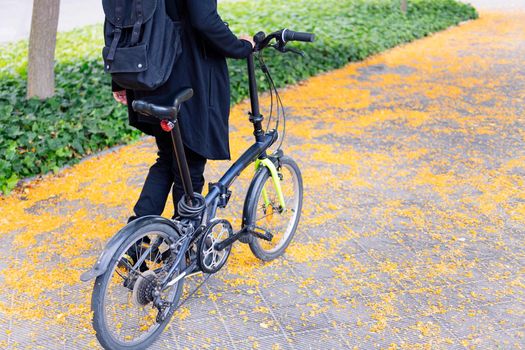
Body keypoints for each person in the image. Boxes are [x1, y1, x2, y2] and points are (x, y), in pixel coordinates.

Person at [111, 0, 255, 222]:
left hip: (146, 71)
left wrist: (119, 79)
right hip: (186, 71)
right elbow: (204, 20)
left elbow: (119, 18)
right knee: (189, 164)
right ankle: (183, 245)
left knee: (169, 158)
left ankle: (134, 243)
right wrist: (241, 47)